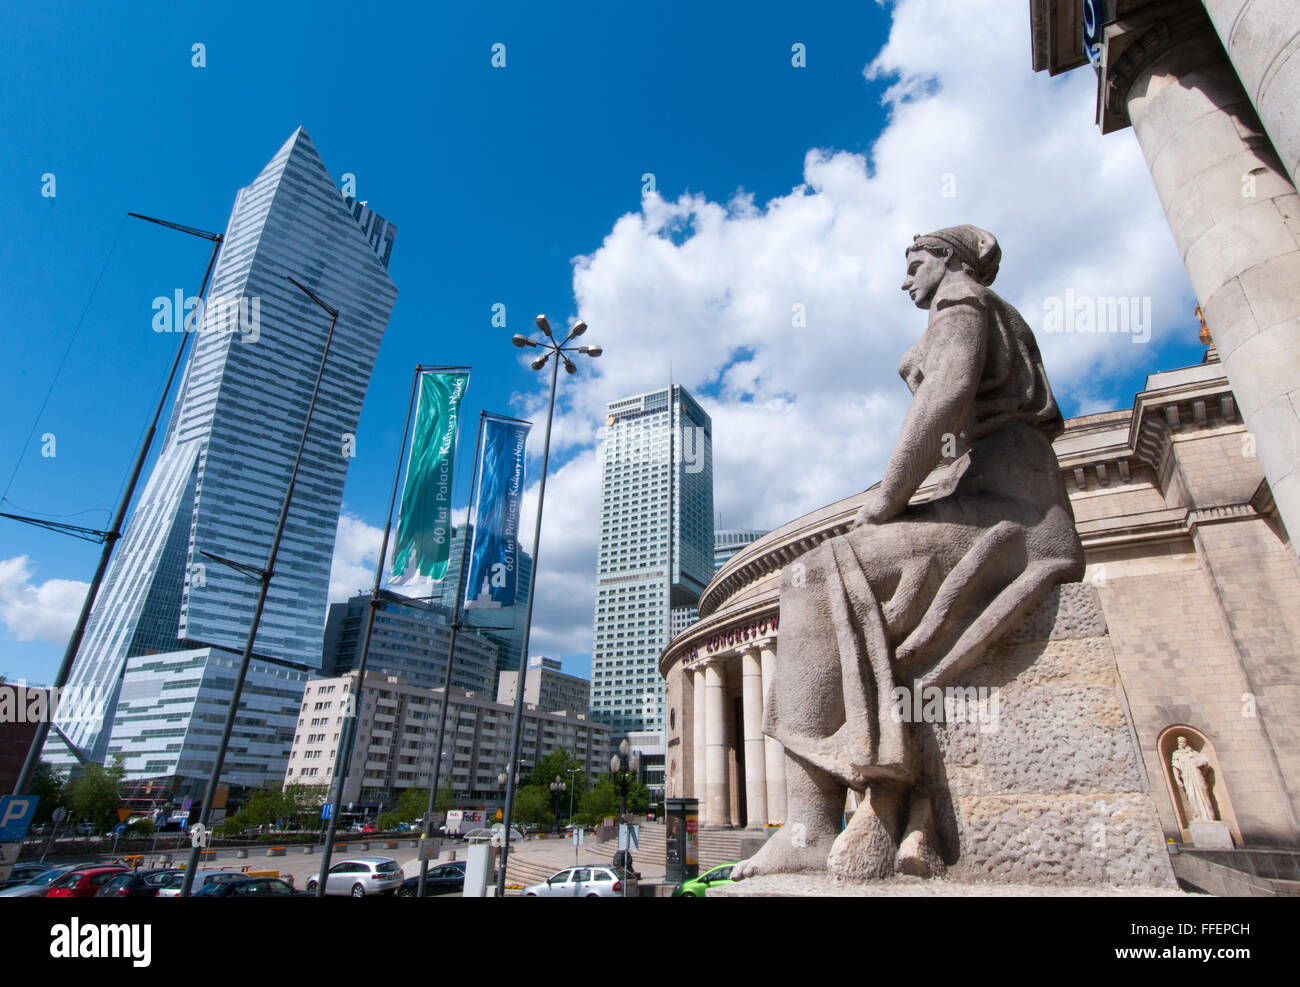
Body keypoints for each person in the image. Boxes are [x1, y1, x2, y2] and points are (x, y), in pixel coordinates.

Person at [736, 226, 1084, 880]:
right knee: (828, 576)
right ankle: (872, 793)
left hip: (1014, 520)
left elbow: (946, 397)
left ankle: (811, 827)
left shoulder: (963, 305)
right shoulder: (985, 312)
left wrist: (887, 498)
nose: (906, 280)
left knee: (812, 574)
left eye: (915, 263)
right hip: (997, 502)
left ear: (947, 260)